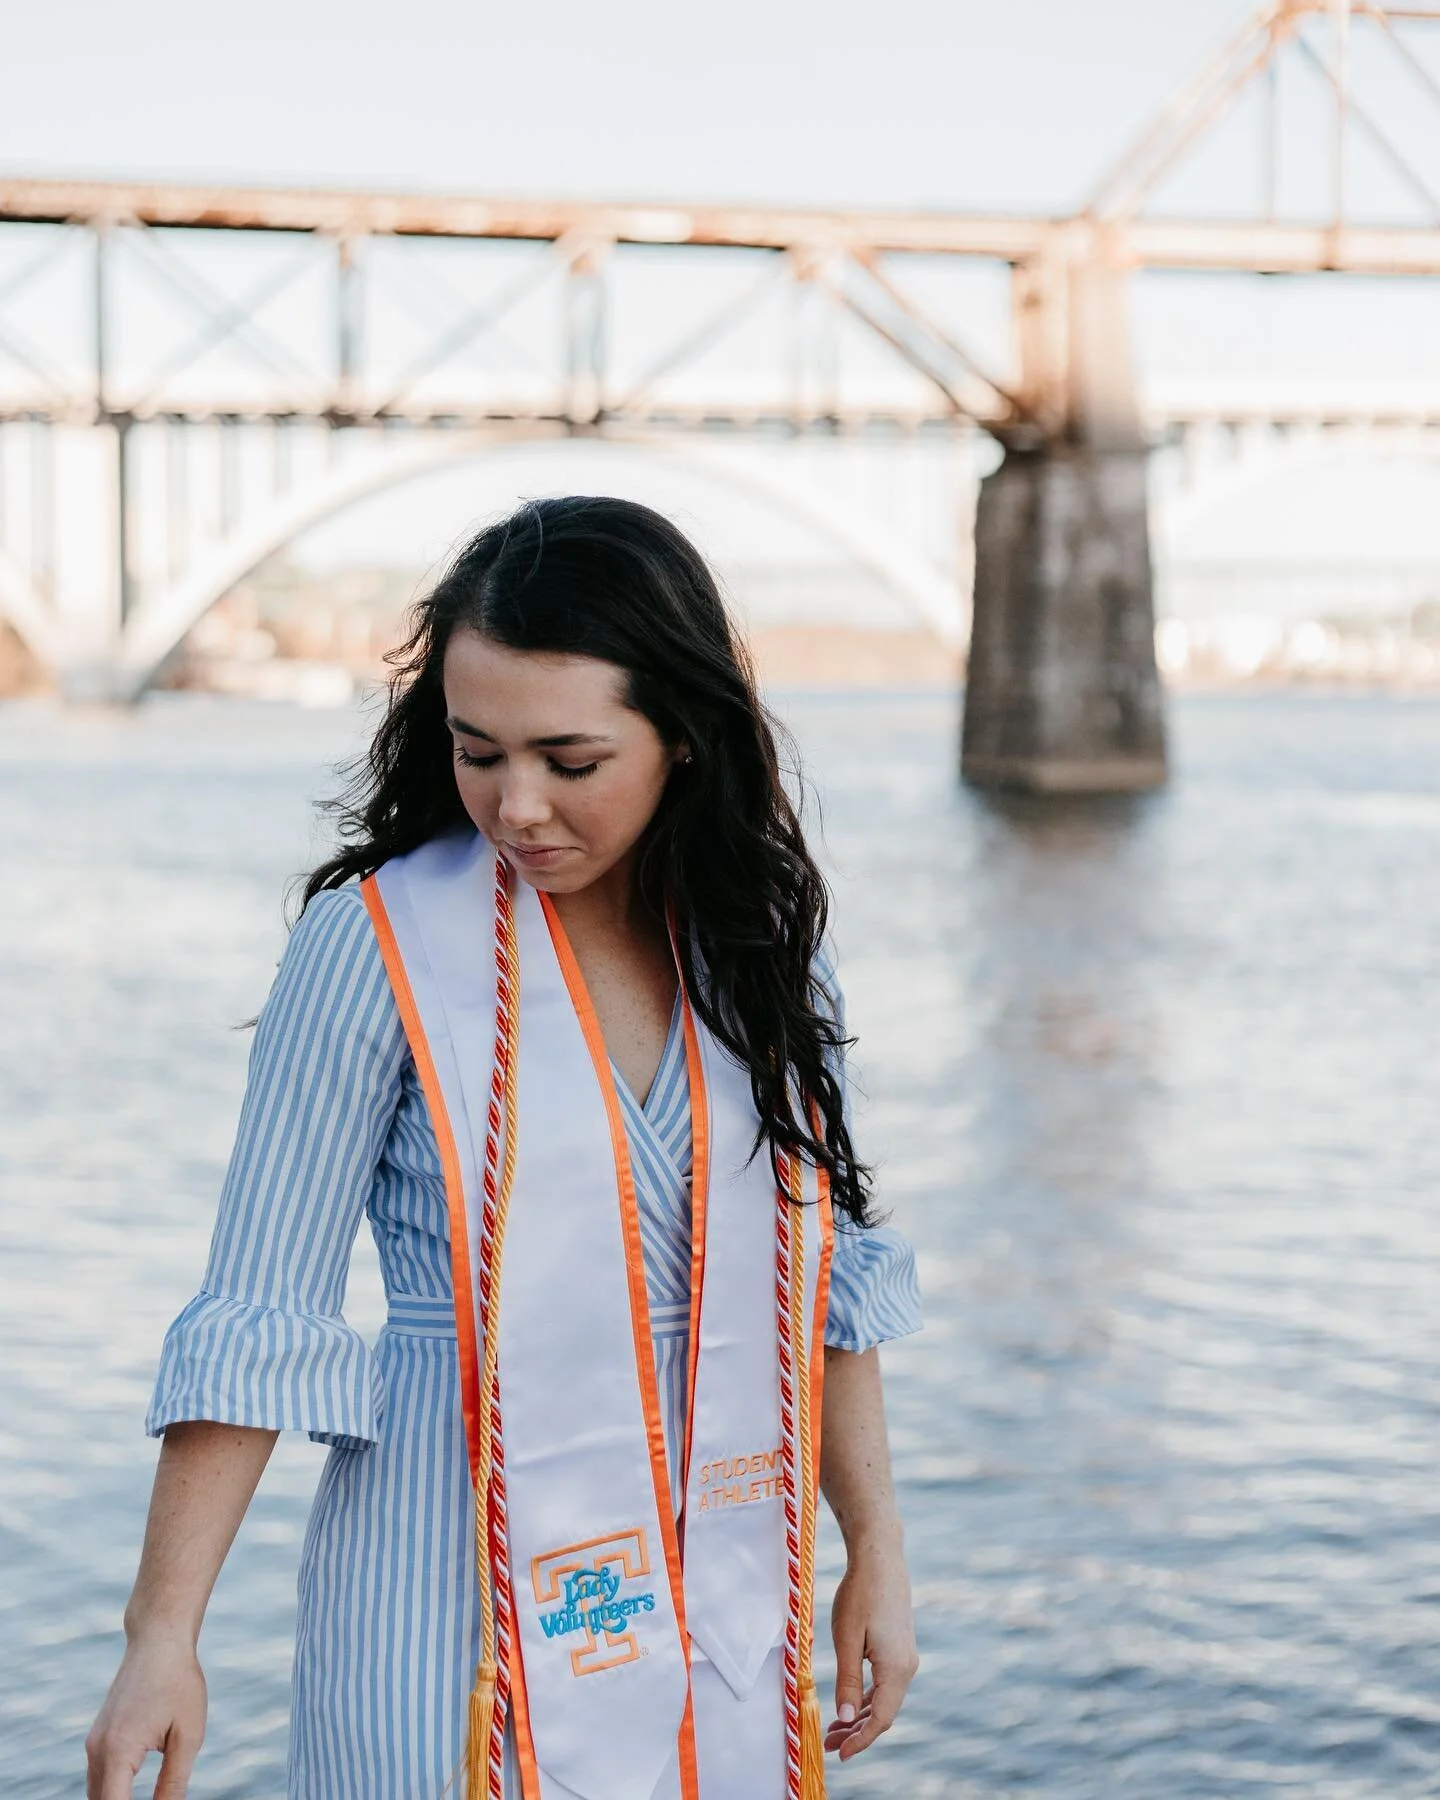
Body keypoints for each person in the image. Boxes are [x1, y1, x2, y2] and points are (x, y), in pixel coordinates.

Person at [87, 496, 922, 1800]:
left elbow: (828, 1281)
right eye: (478, 752)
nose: (515, 805)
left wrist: (873, 1543)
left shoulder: (761, 955)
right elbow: (259, 1311)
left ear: (686, 739)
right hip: (443, 1588)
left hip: (721, 1582)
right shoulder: (372, 949)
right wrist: (162, 1636)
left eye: (570, 761)